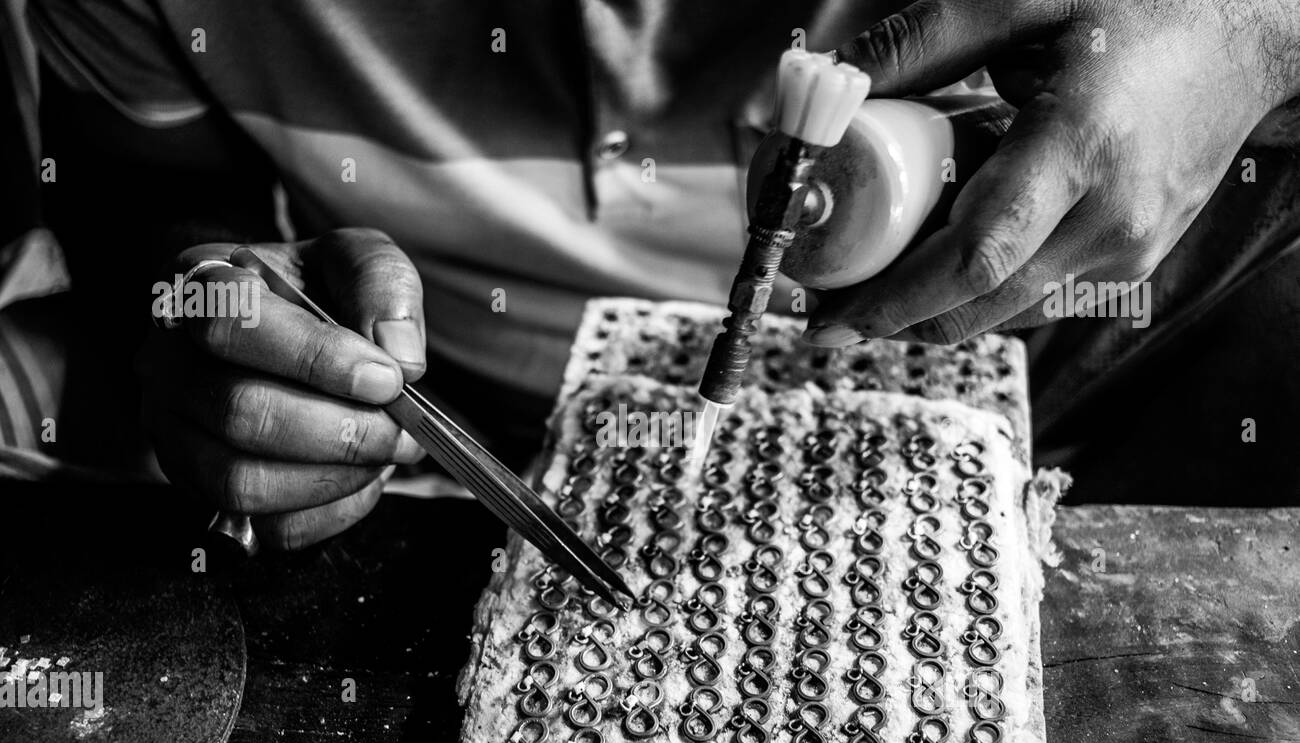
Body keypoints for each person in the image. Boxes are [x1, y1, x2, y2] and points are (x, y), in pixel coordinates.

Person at [3, 0, 1298, 548]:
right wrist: (209, 302)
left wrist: (1251, 35)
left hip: (1040, 371)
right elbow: (145, 213)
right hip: (470, 461)